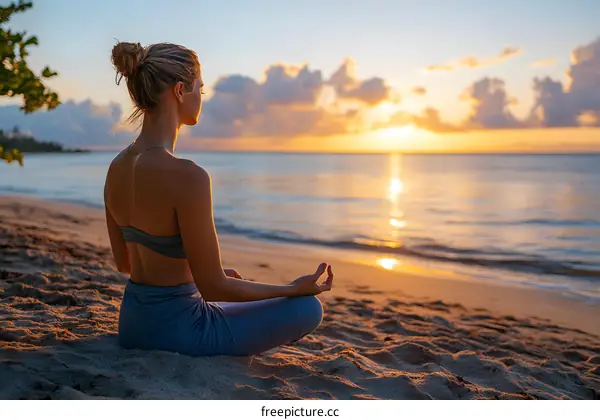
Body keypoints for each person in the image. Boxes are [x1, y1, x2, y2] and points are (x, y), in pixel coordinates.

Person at [104, 41, 333, 357]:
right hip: (179, 332)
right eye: (201, 88)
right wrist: (293, 288)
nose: (202, 97)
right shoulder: (188, 175)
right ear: (180, 90)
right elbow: (214, 289)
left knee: (239, 291)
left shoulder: (116, 167)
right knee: (308, 308)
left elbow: (125, 263)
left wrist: (205, 277)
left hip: (132, 325)